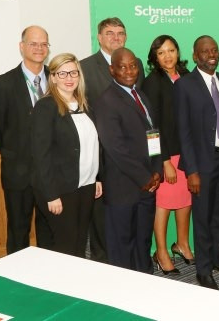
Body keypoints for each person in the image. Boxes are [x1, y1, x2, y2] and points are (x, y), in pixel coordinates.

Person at [175, 35, 219, 290]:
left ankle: (217, 258)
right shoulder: (185, 85)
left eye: (214, 50)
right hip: (203, 162)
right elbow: (184, 131)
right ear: (195, 56)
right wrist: (191, 170)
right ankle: (203, 270)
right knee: (202, 216)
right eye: (205, 51)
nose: (211, 54)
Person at [80, 17, 145, 263]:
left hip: (132, 159)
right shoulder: (85, 67)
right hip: (100, 157)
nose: (116, 38)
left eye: (120, 33)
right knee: (101, 221)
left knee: (129, 225)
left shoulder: (135, 63)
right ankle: (102, 266)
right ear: (99, 37)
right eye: (110, 33)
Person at [94, 48, 161, 273]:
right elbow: (116, 148)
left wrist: (157, 170)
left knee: (142, 240)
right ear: (112, 70)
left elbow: (153, 134)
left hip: (148, 185)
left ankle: (144, 279)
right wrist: (144, 177)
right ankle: (122, 292)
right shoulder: (106, 101)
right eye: (122, 66)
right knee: (122, 245)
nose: (129, 71)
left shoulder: (140, 94)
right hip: (124, 186)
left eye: (133, 65)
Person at [0, 25, 51, 254]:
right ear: (21, 47)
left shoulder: (59, 79)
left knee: (50, 232)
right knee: (18, 232)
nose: (39, 48)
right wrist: (16, 150)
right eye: (33, 43)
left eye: (44, 44)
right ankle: (17, 281)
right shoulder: (2, 84)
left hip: (51, 174)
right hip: (18, 172)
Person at [30, 53, 102, 257]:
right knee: (65, 246)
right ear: (52, 77)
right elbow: (40, 155)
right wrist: (51, 195)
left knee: (79, 243)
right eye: (62, 73)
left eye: (73, 72)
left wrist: (96, 177)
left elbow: (93, 145)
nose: (68, 78)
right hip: (60, 190)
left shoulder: (84, 105)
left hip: (85, 186)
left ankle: (75, 287)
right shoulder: (46, 107)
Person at [142, 35, 192, 275]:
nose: (168, 56)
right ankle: (160, 251)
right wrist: (163, 162)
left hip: (188, 153)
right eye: (162, 52)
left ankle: (181, 243)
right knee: (163, 204)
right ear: (155, 57)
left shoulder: (188, 77)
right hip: (167, 155)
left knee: (186, 200)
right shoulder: (153, 82)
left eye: (171, 50)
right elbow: (151, 127)